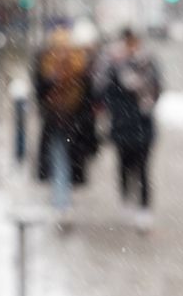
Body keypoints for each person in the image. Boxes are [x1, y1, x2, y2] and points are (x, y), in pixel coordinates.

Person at [34, 28, 98, 231]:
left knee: (69, 163)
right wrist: (52, 81)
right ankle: (61, 204)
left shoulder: (80, 65)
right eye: (57, 48)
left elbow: (89, 95)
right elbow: (40, 92)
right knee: (59, 161)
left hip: (74, 123)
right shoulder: (45, 65)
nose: (61, 52)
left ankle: (64, 202)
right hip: (54, 122)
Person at [102, 28, 161, 232]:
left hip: (141, 126)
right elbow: (106, 94)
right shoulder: (114, 65)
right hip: (124, 126)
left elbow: (158, 89)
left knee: (143, 168)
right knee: (125, 166)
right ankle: (127, 200)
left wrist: (145, 99)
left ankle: (144, 209)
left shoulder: (148, 63)